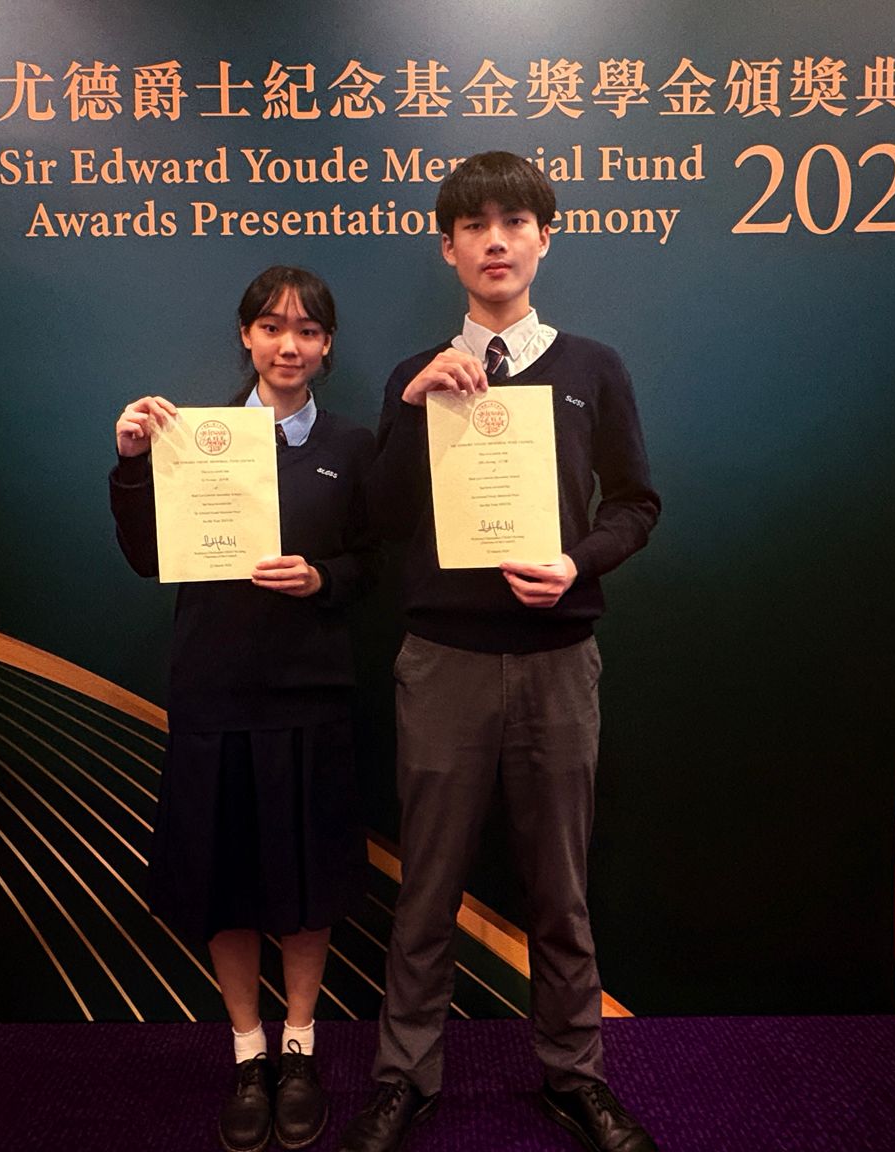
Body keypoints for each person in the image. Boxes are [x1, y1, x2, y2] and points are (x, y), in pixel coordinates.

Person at [339, 152, 661, 1152]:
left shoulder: (592, 367)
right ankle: (404, 1079)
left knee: (559, 889)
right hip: (443, 658)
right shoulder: (415, 374)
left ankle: (575, 1076)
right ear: (447, 249)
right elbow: (380, 517)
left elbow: (636, 504)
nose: (495, 240)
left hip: (559, 660)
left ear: (543, 239)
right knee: (426, 887)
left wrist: (575, 561)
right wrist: (411, 409)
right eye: (473, 225)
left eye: (514, 222)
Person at [109, 265, 376, 1152]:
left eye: (307, 330)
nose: (288, 345)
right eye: (271, 327)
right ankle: (248, 1052)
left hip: (309, 693)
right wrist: (134, 463)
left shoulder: (352, 444)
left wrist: (322, 576)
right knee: (224, 879)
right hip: (214, 691)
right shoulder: (195, 437)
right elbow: (148, 557)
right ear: (245, 336)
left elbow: (376, 565)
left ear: (327, 346)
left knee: (305, 881)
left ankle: (300, 1047)